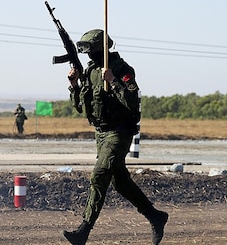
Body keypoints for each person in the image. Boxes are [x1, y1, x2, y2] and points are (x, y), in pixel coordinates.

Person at [63, 29, 168, 245]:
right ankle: (155, 216)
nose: (87, 54)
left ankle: (83, 230)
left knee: (100, 174)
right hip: (101, 134)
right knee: (120, 182)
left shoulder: (122, 68)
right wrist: (74, 85)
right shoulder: (91, 71)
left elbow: (132, 100)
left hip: (119, 131)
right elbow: (81, 107)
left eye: (90, 49)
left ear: (101, 48)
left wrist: (113, 80)